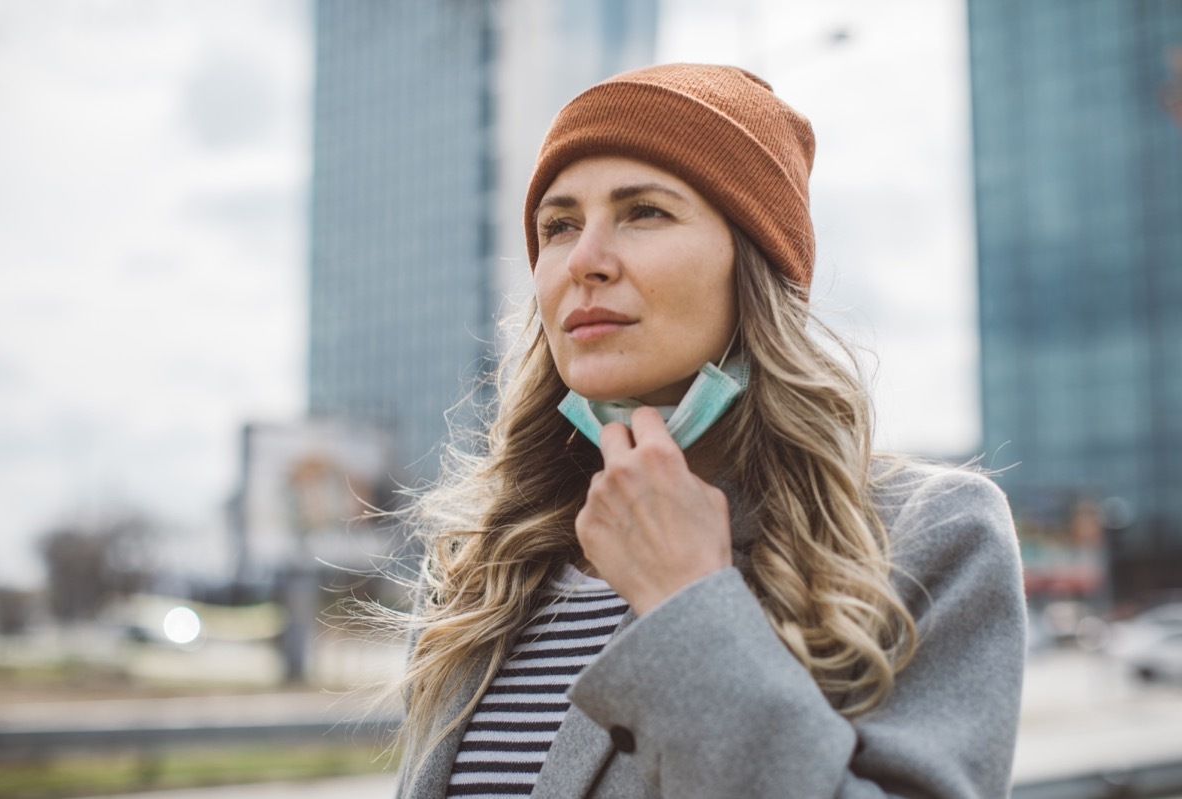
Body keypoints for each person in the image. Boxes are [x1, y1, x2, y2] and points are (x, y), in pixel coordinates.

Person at [389, 64, 1026, 799]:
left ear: (753, 265)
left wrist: (688, 601)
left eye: (644, 212)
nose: (584, 261)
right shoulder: (479, 567)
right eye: (559, 225)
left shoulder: (927, 534)